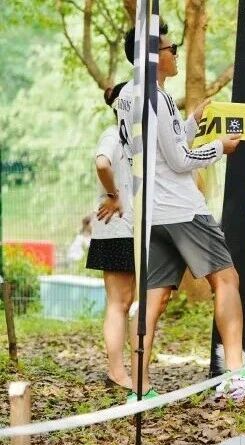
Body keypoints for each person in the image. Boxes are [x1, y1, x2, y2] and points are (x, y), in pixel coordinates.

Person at [115, 24, 245, 402]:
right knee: (227, 280)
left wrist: (191, 122)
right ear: (154, 56)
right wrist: (220, 148)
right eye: (172, 48)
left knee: (153, 299)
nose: (176, 54)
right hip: (182, 209)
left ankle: (140, 389)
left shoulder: (126, 95)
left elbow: (161, 148)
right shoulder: (157, 97)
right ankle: (235, 375)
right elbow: (179, 160)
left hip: (149, 213)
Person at [88, 82, 135, 390]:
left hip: (130, 229)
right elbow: (102, 163)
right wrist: (113, 194)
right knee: (118, 303)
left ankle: (122, 370)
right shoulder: (113, 134)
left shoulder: (134, 139)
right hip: (115, 228)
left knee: (127, 301)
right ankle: (116, 372)